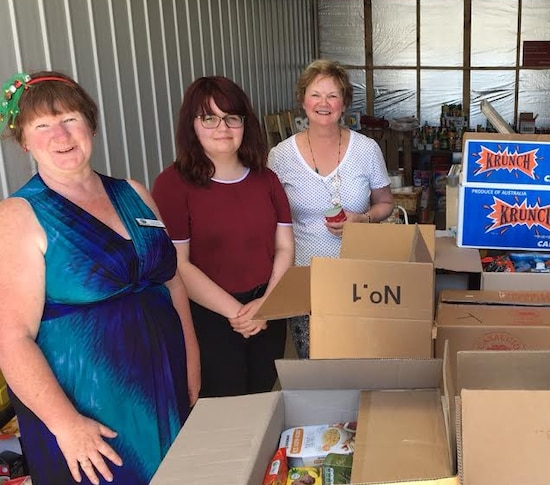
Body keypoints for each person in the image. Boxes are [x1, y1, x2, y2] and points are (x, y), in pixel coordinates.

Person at [0, 71, 200, 484]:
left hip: (165, 387)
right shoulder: (18, 216)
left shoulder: (134, 192)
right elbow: (10, 337)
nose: (61, 134)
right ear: (24, 141)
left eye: (70, 118)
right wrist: (66, 424)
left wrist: (192, 365)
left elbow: (172, 282)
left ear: (90, 124)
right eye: (42, 125)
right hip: (89, 413)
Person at [152, 76, 294, 398]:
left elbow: (284, 246)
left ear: (245, 123)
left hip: (266, 309)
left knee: (262, 395)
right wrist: (236, 312)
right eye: (209, 118)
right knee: (221, 406)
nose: (222, 128)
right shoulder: (173, 184)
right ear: (192, 125)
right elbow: (179, 265)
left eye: (232, 117)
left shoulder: (266, 179)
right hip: (209, 318)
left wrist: (267, 304)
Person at [269, 59, 393, 358]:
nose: (323, 103)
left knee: (358, 357)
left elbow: (386, 204)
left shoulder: (366, 150)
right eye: (315, 94)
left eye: (333, 95)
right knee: (314, 361)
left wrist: (363, 218)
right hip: (305, 277)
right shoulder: (280, 156)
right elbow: (271, 222)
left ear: (344, 103)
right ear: (302, 100)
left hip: (359, 278)